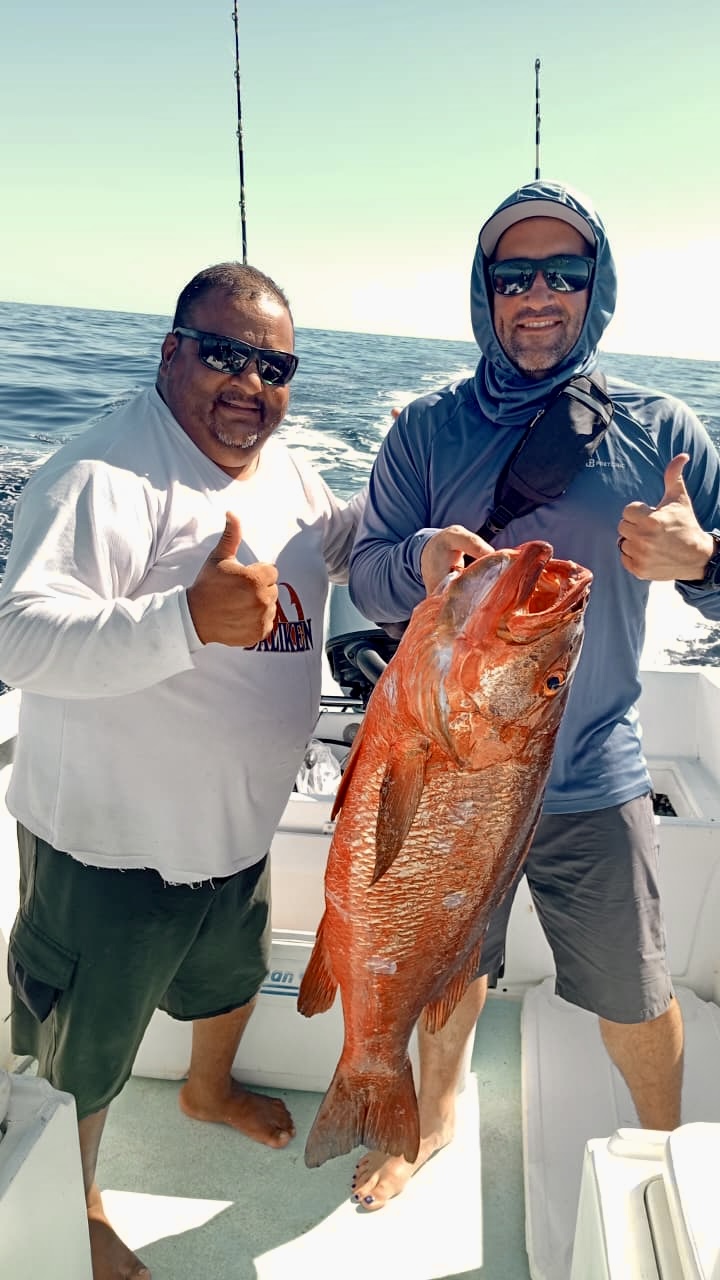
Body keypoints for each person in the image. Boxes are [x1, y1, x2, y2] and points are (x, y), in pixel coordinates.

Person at [346, 179, 720, 1210]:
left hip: (593, 766)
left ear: (597, 288)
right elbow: (367, 571)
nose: (540, 293)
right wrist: (420, 558)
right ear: (486, 291)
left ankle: (665, 1149)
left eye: (566, 271)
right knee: (445, 966)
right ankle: (430, 1119)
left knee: (636, 987)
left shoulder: (663, 428)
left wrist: (703, 556)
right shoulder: (426, 429)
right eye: (515, 275)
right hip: (448, 770)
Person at [0, 262, 364, 1278]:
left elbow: (335, 539)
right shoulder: (100, 471)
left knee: (226, 979)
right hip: (109, 845)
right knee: (83, 1050)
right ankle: (74, 1201)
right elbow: (16, 638)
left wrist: (416, 544)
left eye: (276, 366)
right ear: (171, 351)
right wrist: (183, 619)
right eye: (225, 353)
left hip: (233, 830)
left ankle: (208, 1089)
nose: (252, 384)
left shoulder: (285, 464)